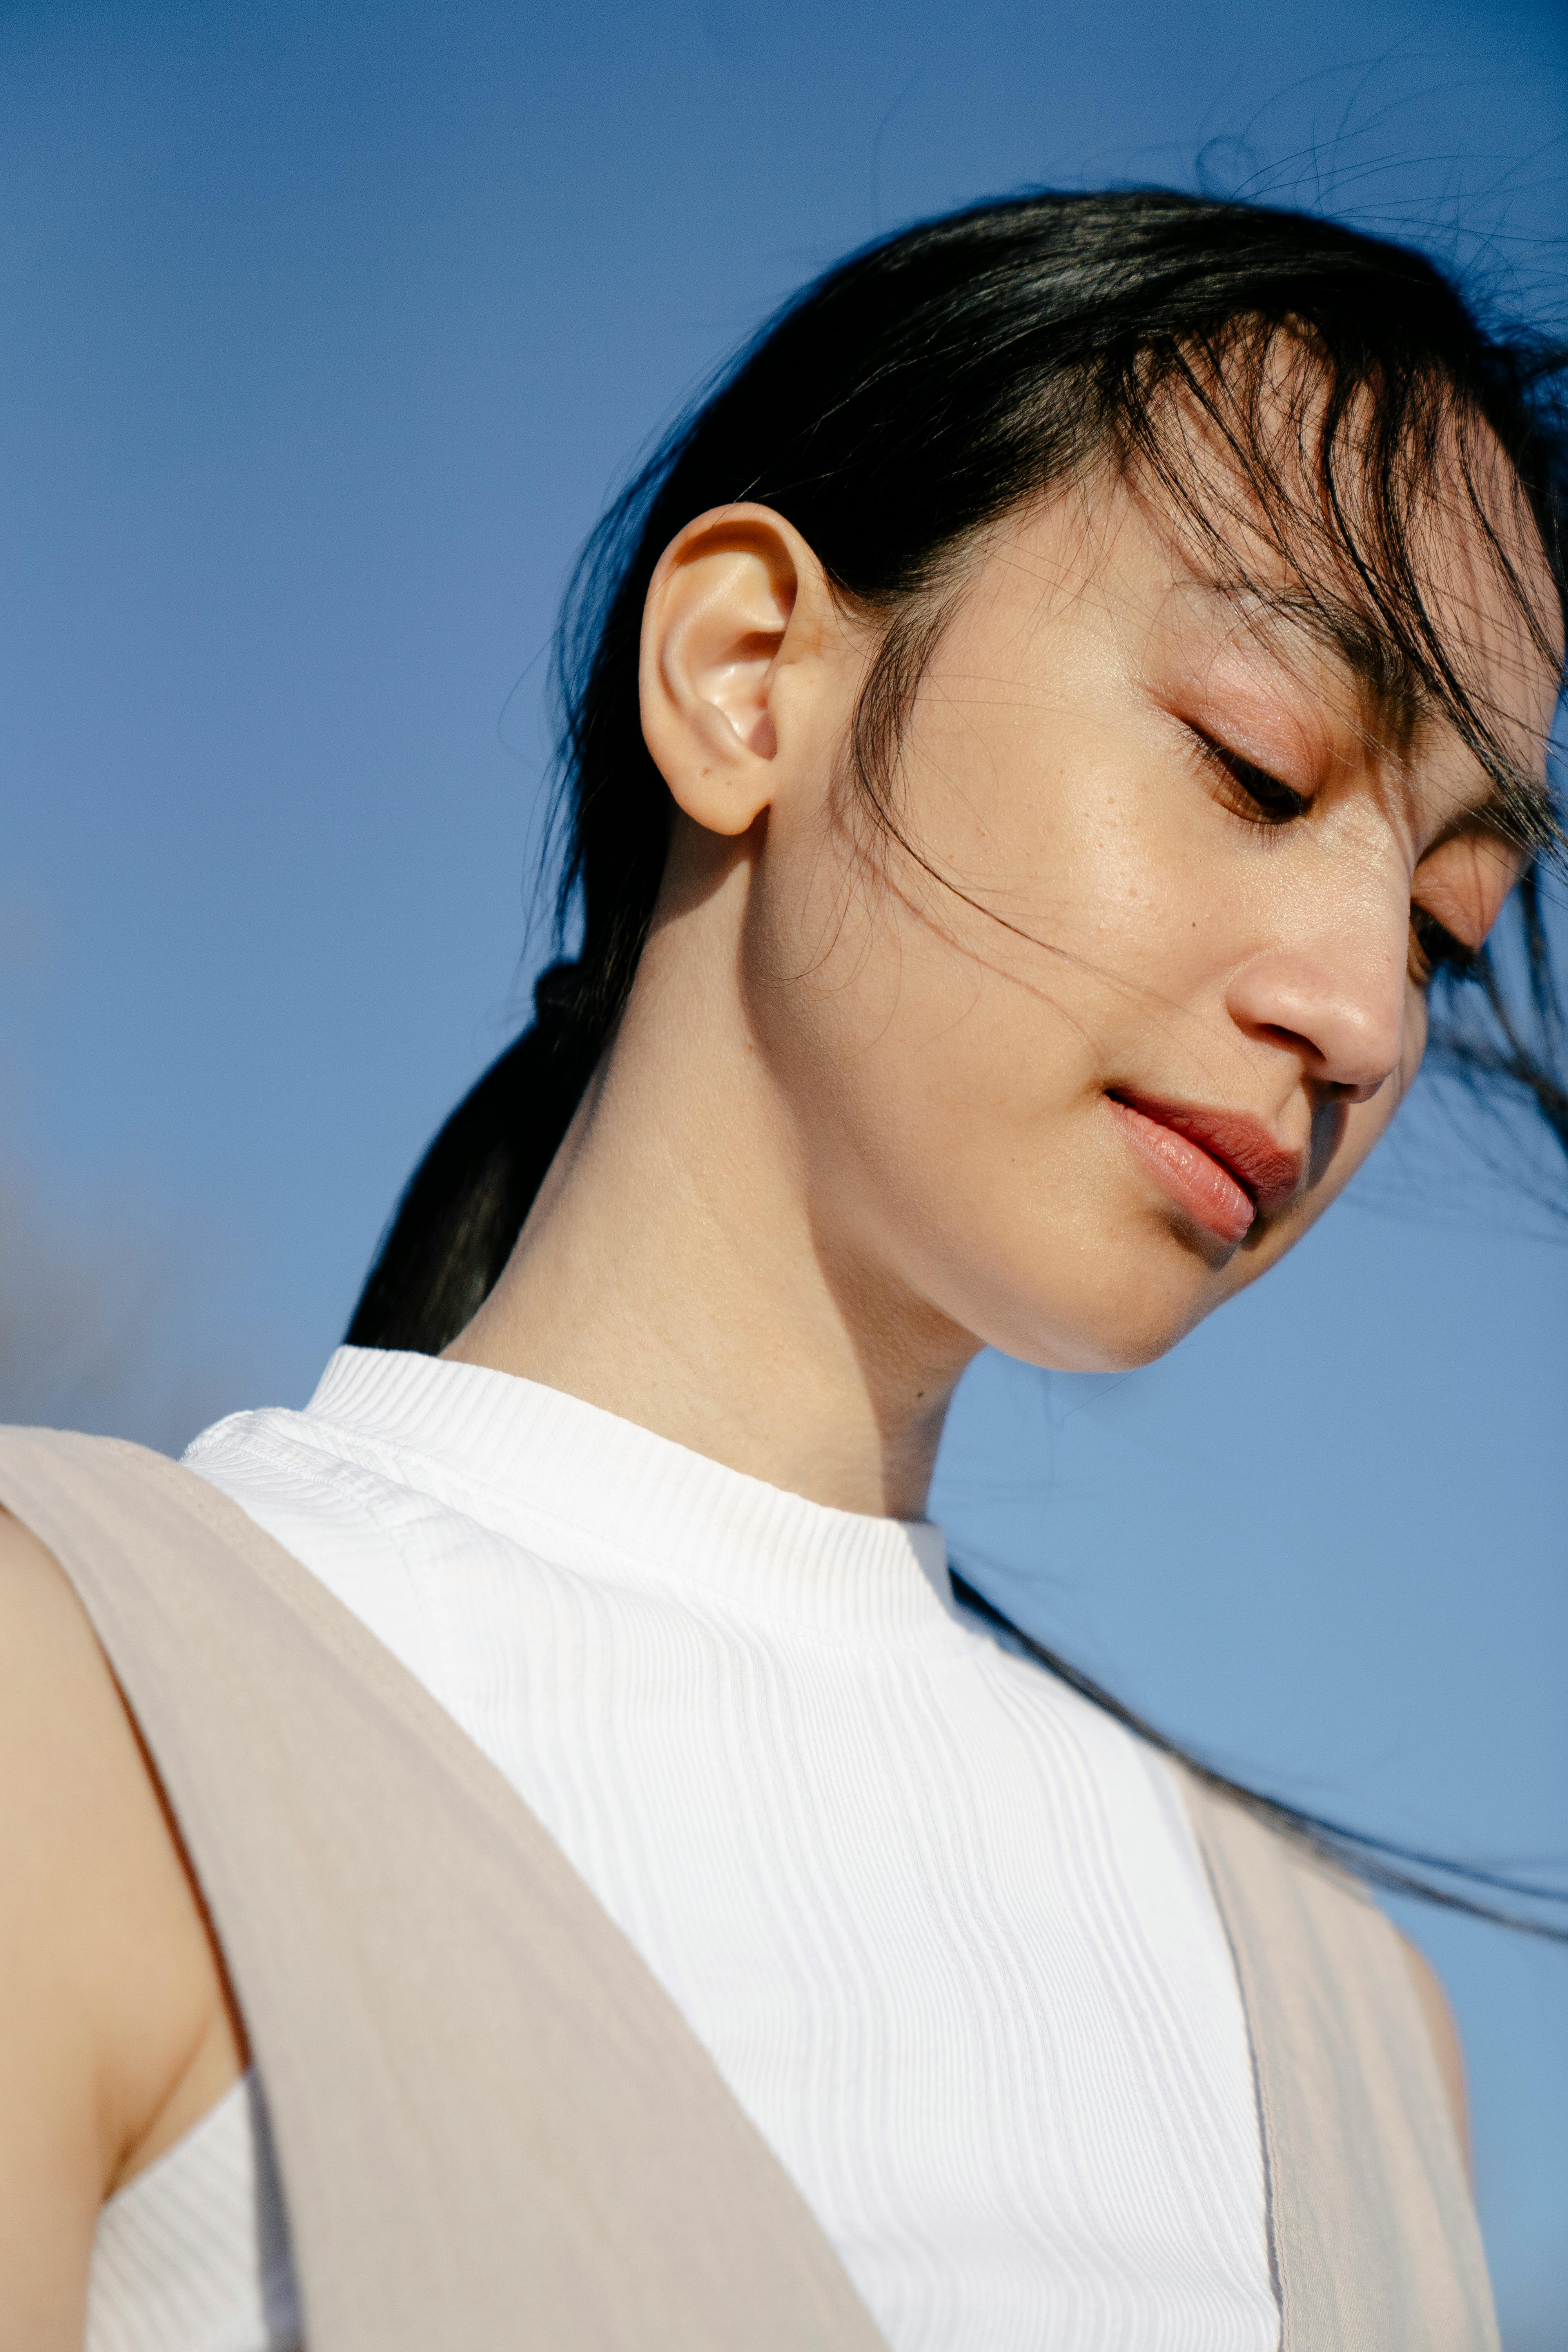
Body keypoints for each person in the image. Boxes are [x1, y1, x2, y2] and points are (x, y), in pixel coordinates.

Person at [2, 189, 1563, 2352]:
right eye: (1254, 763)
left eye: (1446, 921)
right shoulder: (81, 1695)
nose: (1365, 1013)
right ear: (746, 680)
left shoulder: (1353, 2030)